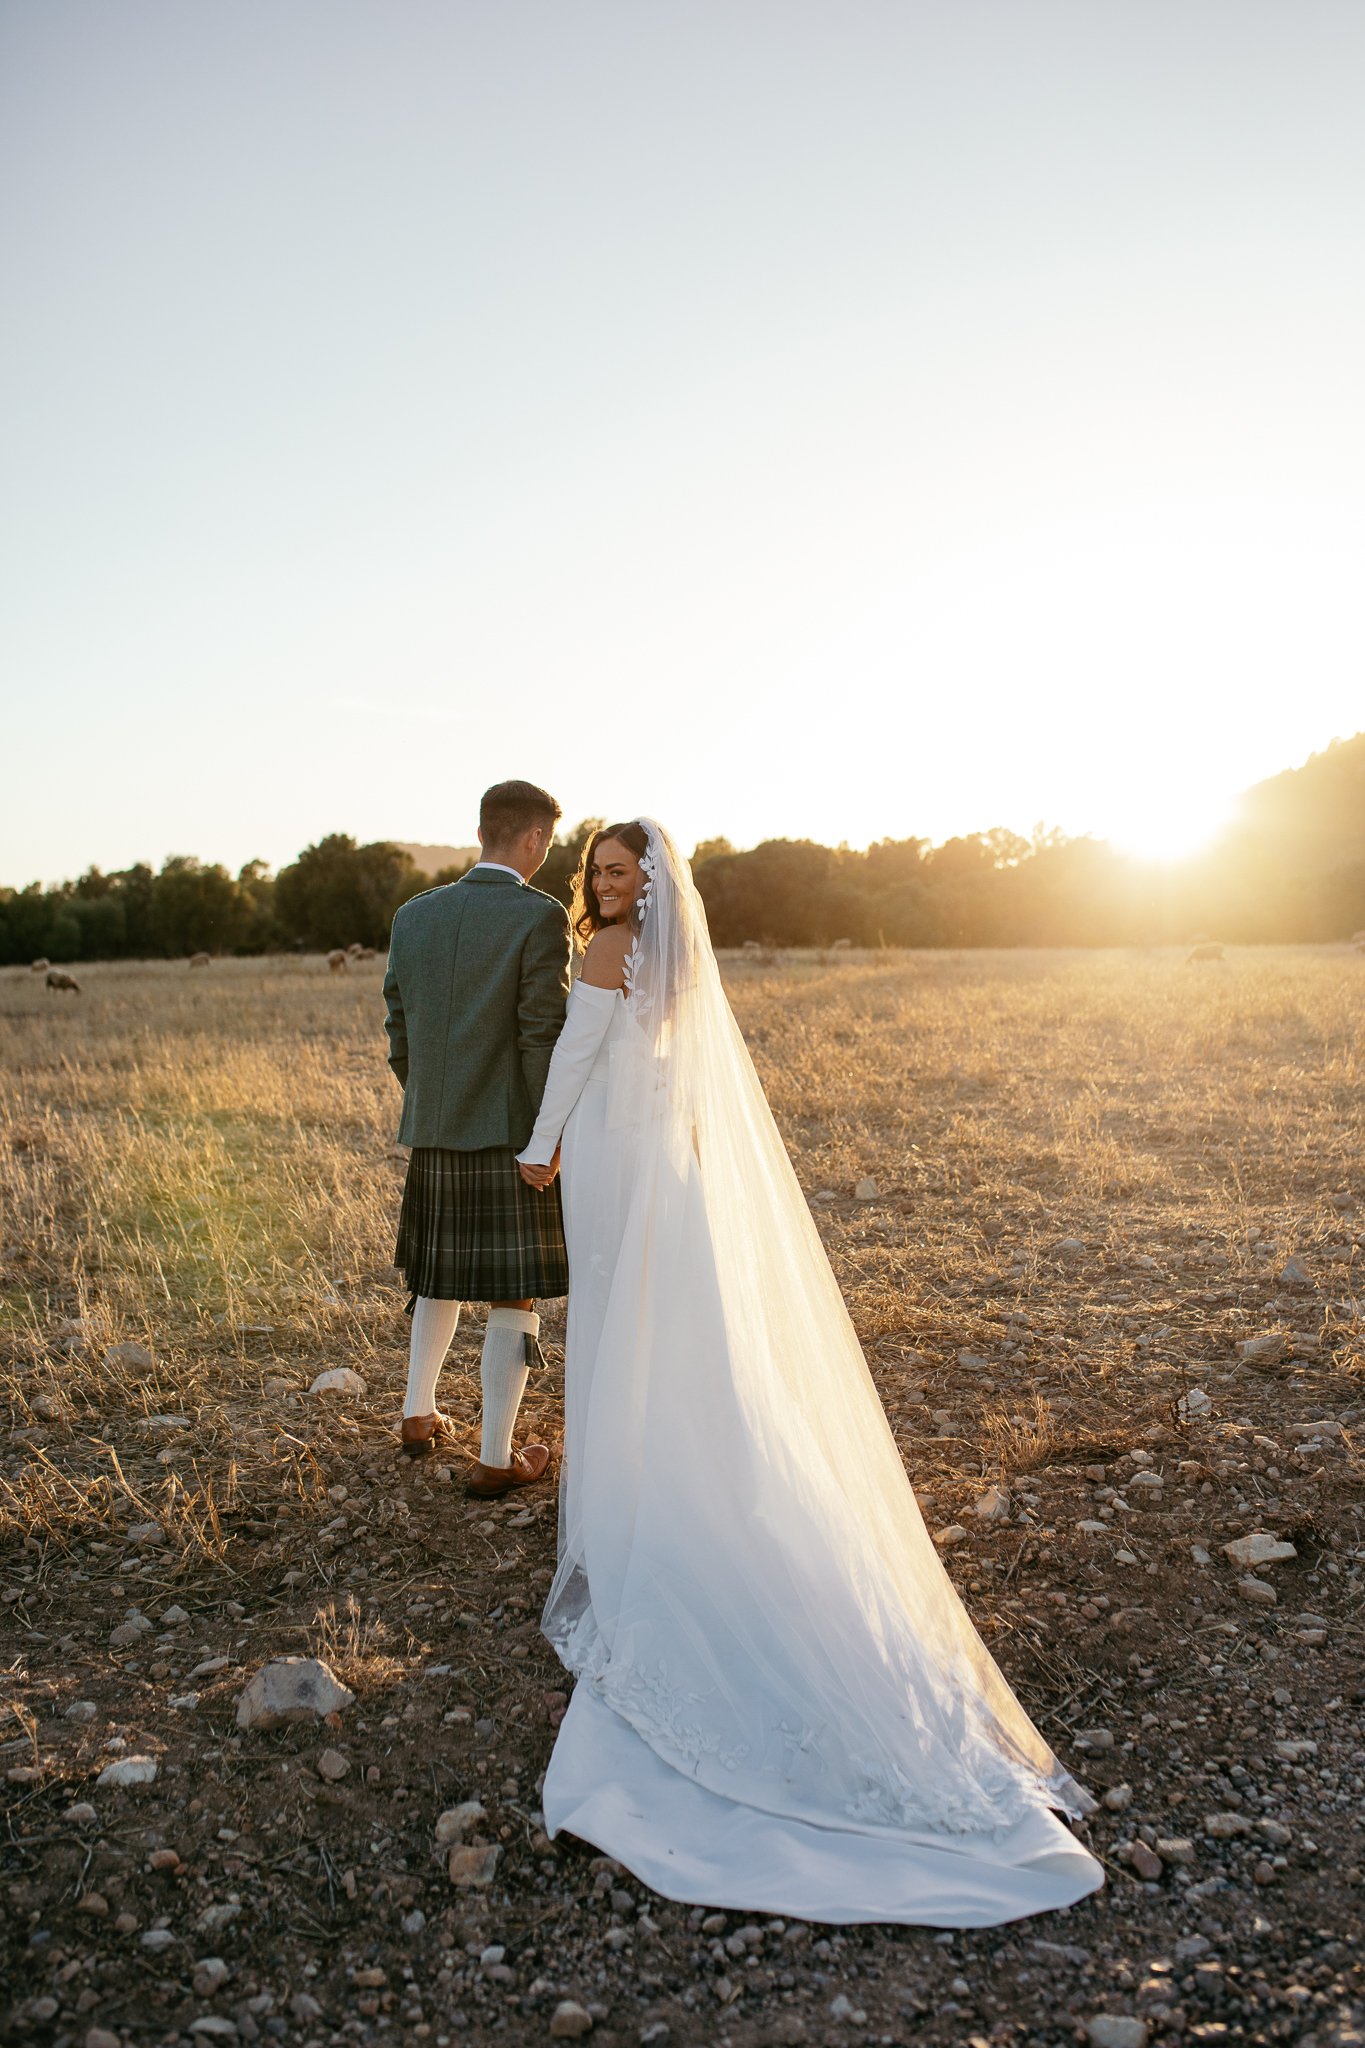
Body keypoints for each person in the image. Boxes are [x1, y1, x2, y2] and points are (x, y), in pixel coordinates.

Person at [514, 817, 1104, 1927]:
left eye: (619, 870)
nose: (604, 883)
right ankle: (672, 1467)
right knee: (671, 1333)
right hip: (667, 1167)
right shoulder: (680, 956)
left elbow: (580, 1053)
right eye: (596, 869)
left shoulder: (605, 950)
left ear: (650, 881)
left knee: (614, 1332)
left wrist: (541, 1144)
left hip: (608, 1156)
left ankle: (636, 1499)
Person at [383, 779, 571, 1498]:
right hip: (509, 1136)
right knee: (512, 1294)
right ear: (531, 839)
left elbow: (397, 1026)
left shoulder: (414, 915)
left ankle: (417, 1414)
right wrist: (544, 1135)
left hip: (436, 1128)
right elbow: (539, 1037)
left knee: (438, 1273)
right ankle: (496, 1458)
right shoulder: (537, 917)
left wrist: (434, 1099)